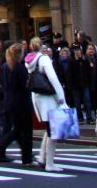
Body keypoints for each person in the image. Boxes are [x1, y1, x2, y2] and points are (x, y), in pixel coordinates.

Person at [26, 36, 67, 170]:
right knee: (52, 130)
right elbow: (53, 78)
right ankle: (49, 162)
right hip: (49, 97)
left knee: (48, 128)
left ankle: (42, 158)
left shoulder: (29, 60)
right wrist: (62, 97)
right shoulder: (44, 59)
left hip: (37, 96)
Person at [0, 44, 34, 168]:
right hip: (21, 102)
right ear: (19, 54)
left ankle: (23, 155)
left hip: (9, 100)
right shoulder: (20, 68)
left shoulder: (5, 67)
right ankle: (24, 156)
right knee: (25, 130)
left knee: (18, 128)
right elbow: (25, 86)